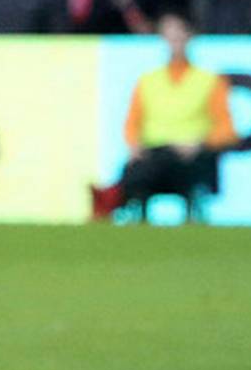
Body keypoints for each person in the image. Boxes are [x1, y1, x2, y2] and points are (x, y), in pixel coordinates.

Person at [90, 13, 239, 221]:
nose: (174, 42)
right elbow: (132, 123)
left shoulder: (210, 81)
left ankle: (112, 197)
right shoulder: (149, 80)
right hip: (155, 152)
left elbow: (227, 131)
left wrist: (200, 143)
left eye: (179, 36)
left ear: (190, 37)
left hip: (189, 158)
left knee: (153, 165)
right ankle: (114, 196)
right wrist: (134, 145)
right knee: (148, 162)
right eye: (170, 36)